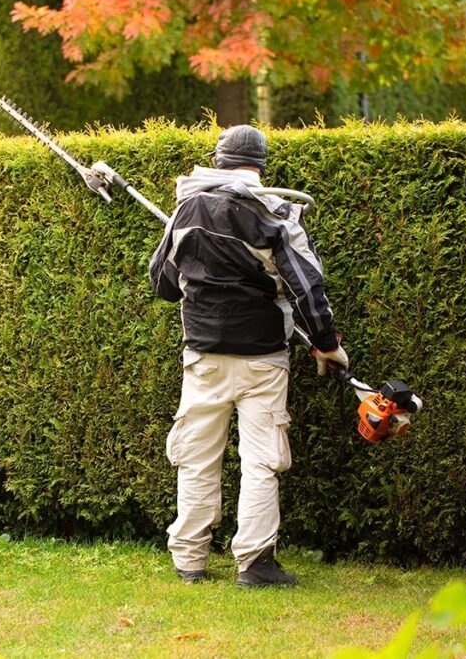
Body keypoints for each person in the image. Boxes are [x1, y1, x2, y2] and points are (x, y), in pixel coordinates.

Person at [148, 125, 349, 586]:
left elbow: (161, 281)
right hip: (263, 359)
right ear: (260, 166)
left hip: (203, 357)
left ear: (217, 161)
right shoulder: (276, 213)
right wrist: (327, 345)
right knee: (261, 460)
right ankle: (255, 565)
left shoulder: (186, 209)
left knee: (197, 457)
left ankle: (190, 561)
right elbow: (308, 289)